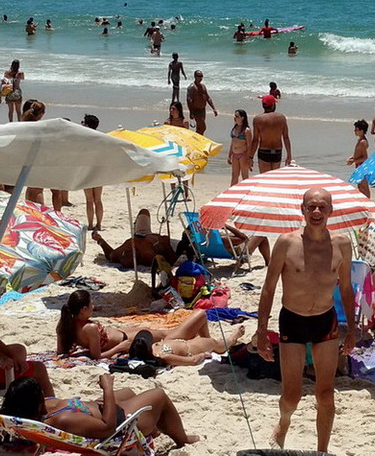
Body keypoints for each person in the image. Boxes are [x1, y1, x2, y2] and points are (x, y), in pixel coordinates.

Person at [256, 188, 355, 452]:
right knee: (292, 395)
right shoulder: (287, 243)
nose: (316, 212)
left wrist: (353, 330)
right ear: (302, 210)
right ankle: (284, 422)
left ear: (330, 211)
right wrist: (262, 331)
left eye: (322, 207)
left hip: (325, 320)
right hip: (293, 320)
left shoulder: (342, 244)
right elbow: (268, 287)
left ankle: (322, 450)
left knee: (325, 394)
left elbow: (346, 288)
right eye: (311, 207)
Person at [1, 374, 199, 448]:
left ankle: (156, 428)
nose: (44, 395)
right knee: (158, 395)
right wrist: (107, 388)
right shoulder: (61, 419)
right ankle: (181, 439)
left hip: (101, 410)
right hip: (122, 425)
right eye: (40, 394)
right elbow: (106, 427)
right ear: (33, 403)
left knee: (129, 391)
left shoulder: (40, 412)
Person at [56, 290, 214, 359]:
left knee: (171, 333)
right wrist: (120, 348)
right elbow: (96, 356)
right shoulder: (88, 328)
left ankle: (207, 341)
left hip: (123, 333)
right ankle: (209, 342)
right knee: (173, 333)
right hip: (126, 339)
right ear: (83, 310)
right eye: (91, 305)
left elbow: (61, 351)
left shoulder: (65, 325)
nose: (93, 307)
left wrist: (74, 346)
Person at [0, 301, 53, 398]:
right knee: (39, 369)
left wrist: (11, 356)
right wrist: (1, 358)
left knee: (18, 350)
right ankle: (52, 405)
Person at [127, 325, 246, 367]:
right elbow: (192, 361)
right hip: (190, 347)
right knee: (217, 345)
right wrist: (203, 354)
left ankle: (207, 338)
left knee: (200, 314)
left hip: (172, 340)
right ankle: (232, 338)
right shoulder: (162, 356)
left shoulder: (138, 349)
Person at [89, 229, 177, 270]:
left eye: (125, 254)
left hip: (141, 233)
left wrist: (100, 240)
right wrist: (164, 243)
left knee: (144, 212)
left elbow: (109, 255)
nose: (127, 252)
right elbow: (171, 261)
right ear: (136, 257)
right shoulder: (148, 256)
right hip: (163, 241)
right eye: (129, 255)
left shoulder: (120, 253)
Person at [250, 94, 292, 172]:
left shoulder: (257, 119)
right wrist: (289, 155)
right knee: (274, 179)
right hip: (277, 152)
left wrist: (250, 157)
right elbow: (286, 137)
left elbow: (255, 140)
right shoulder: (281, 118)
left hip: (264, 151)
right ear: (273, 105)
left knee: (265, 179)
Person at [78, 114, 106, 229]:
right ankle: (98, 224)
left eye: (83, 122)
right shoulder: (101, 138)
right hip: (98, 170)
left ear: (87, 125)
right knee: (98, 200)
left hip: (87, 170)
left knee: (89, 200)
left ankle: (90, 224)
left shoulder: (83, 139)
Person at [185, 70, 218, 135]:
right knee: (203, 127)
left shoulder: (203, 86)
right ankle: (196, 139)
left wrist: (214, 108)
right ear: (195, 76)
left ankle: (198, 140)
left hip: (202, 109)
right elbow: (189, 100)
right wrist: (191, 112)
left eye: (201, 76)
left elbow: (208, 98)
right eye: (199, 76)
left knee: (200, 128)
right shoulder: (192, 87)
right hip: (196, 110)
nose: (200, 78)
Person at [229, 110, 253, 185]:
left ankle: (245, 192)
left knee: (244, 176)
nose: (234, 118)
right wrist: (229, 155)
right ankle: (231, 192)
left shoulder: (246, 130)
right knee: (234, 175)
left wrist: (249, 158)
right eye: (234, 116)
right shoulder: (234, 129)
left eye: (237, 116)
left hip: (243, 155)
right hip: (235, 155)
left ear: (242, 118)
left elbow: (249, 145)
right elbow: (232, 143)